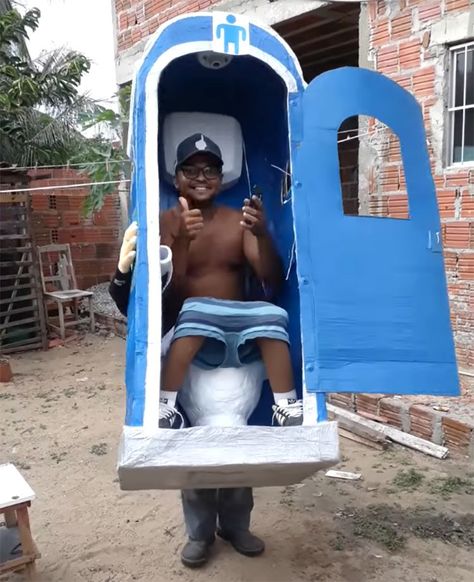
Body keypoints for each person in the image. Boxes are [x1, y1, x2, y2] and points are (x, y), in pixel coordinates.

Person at [110, 133, 303, 567]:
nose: (201, 177)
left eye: (209, 169)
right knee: (196, 446)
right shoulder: (162, 222)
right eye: (190, 169)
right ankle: (199, 532)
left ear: (221, 176)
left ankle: (236, 525)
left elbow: (271, 281)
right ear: (175, 178)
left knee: (238, 445)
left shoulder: (239, 221)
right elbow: (162, 301)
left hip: (242, 342)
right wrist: (179, 242)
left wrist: (263, 232)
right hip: (192, 341)